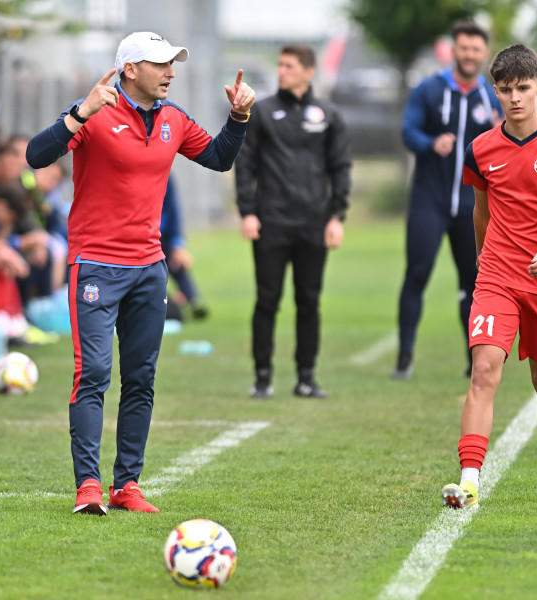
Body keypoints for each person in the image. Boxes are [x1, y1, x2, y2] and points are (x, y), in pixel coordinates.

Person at [26, 31, 255, 515]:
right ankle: (88, 486)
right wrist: (78, 114)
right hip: (95, 265)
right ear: (130, 69)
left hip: (150, 270)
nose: (171, 72)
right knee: (94, 374)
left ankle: (126, 486)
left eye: (173, 63)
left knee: (141, 378)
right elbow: (35, 156)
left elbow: (218, 158)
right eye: (160, 64)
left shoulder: (174, 119)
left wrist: (238, 118)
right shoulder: (92, 112)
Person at [441, 44, 537, 509]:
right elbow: (480, 212)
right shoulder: (480, 150)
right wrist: (483, 258)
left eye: (523, 88)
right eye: (506, 91)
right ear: (496, 92)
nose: (515, 98)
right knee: (483, 371)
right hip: (498, 278)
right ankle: (468, 480)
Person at [234, 44, 351, 400]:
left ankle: (306, 377)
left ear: (308, 71)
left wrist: (337, 216)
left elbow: (340, 168)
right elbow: (246, 164)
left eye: (289, 65)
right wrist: (247, 212)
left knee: (309, 301)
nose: (281, 70)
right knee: (267, 299)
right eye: (280, 65)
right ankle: (263, 377)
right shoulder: (263, 112)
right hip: (271, 223)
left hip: (314, 224)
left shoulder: (328, 114)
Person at [393, 21, 503, 379]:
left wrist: (501, 130)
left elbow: (510, 139)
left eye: (475, 49)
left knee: (473, 281)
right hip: (429, 200)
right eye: (463, 48)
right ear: (453, 51)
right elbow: (408, 131)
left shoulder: (491, 96)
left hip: (471, 207)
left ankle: (473, 360)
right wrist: (430, 143)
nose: (469, 55)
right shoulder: (429, 90)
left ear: (484, 54)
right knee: (417, 274)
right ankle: (405, 358)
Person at [160, 172, 208, 319]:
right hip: (139, 235)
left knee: (177, 266)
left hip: (163, 235)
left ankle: (193, 300)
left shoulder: (166, 175)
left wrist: (177, 244)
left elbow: (173, 210)